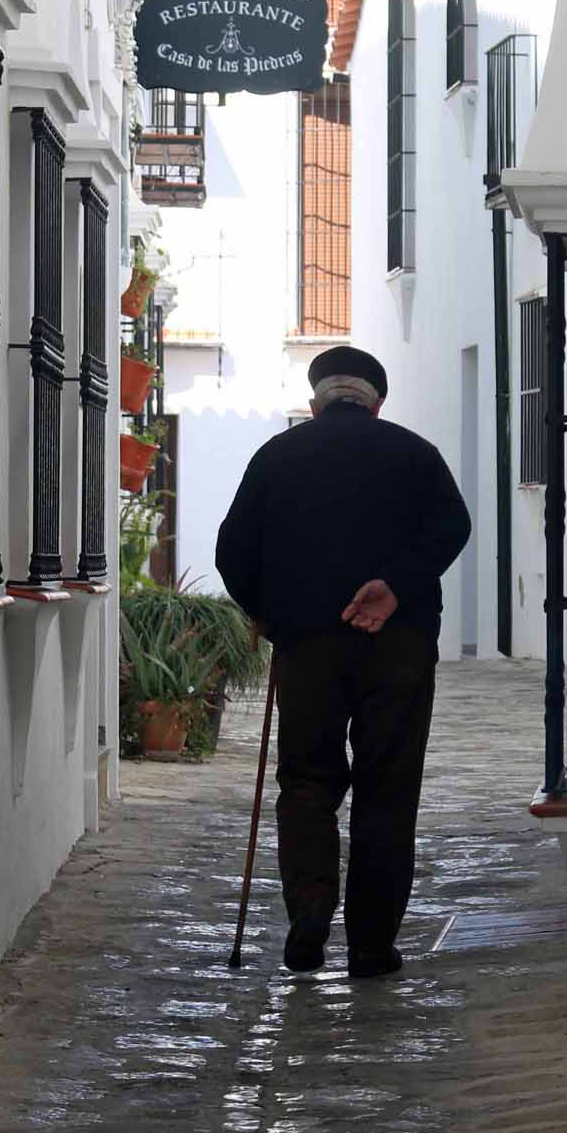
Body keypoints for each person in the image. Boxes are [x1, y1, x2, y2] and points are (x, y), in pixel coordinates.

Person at [214, 345, 471, 979]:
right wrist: (397, 586)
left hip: (307, 647)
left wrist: (271, 612)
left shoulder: (277, 456)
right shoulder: (415, 454)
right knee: (388, 788)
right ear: (376, 403)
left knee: (306, 783)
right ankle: (371, 948)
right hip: (400, 644)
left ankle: (308, 919)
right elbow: (452, 527)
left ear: (315, 402)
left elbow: (232, 551)